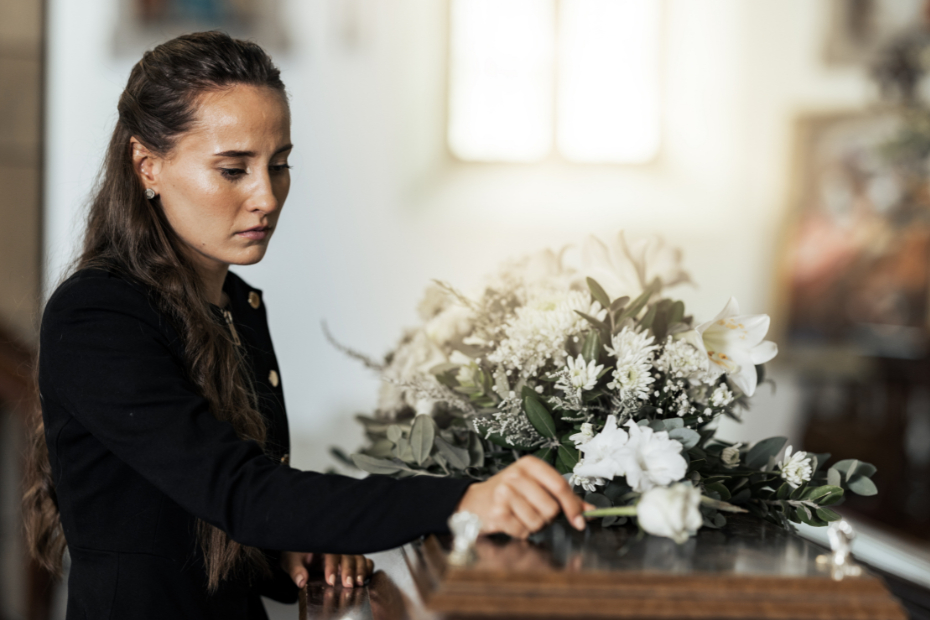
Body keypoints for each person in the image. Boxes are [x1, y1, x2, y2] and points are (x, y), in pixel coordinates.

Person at [23, 31, 591, 620]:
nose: (266, 196)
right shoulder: (96, 314)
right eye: (232, 169)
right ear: (148, 166)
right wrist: (463, 499)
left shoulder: (232, 305)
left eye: (279, 165)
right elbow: (239, 492)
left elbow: (203, 511)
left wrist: (285, 548)